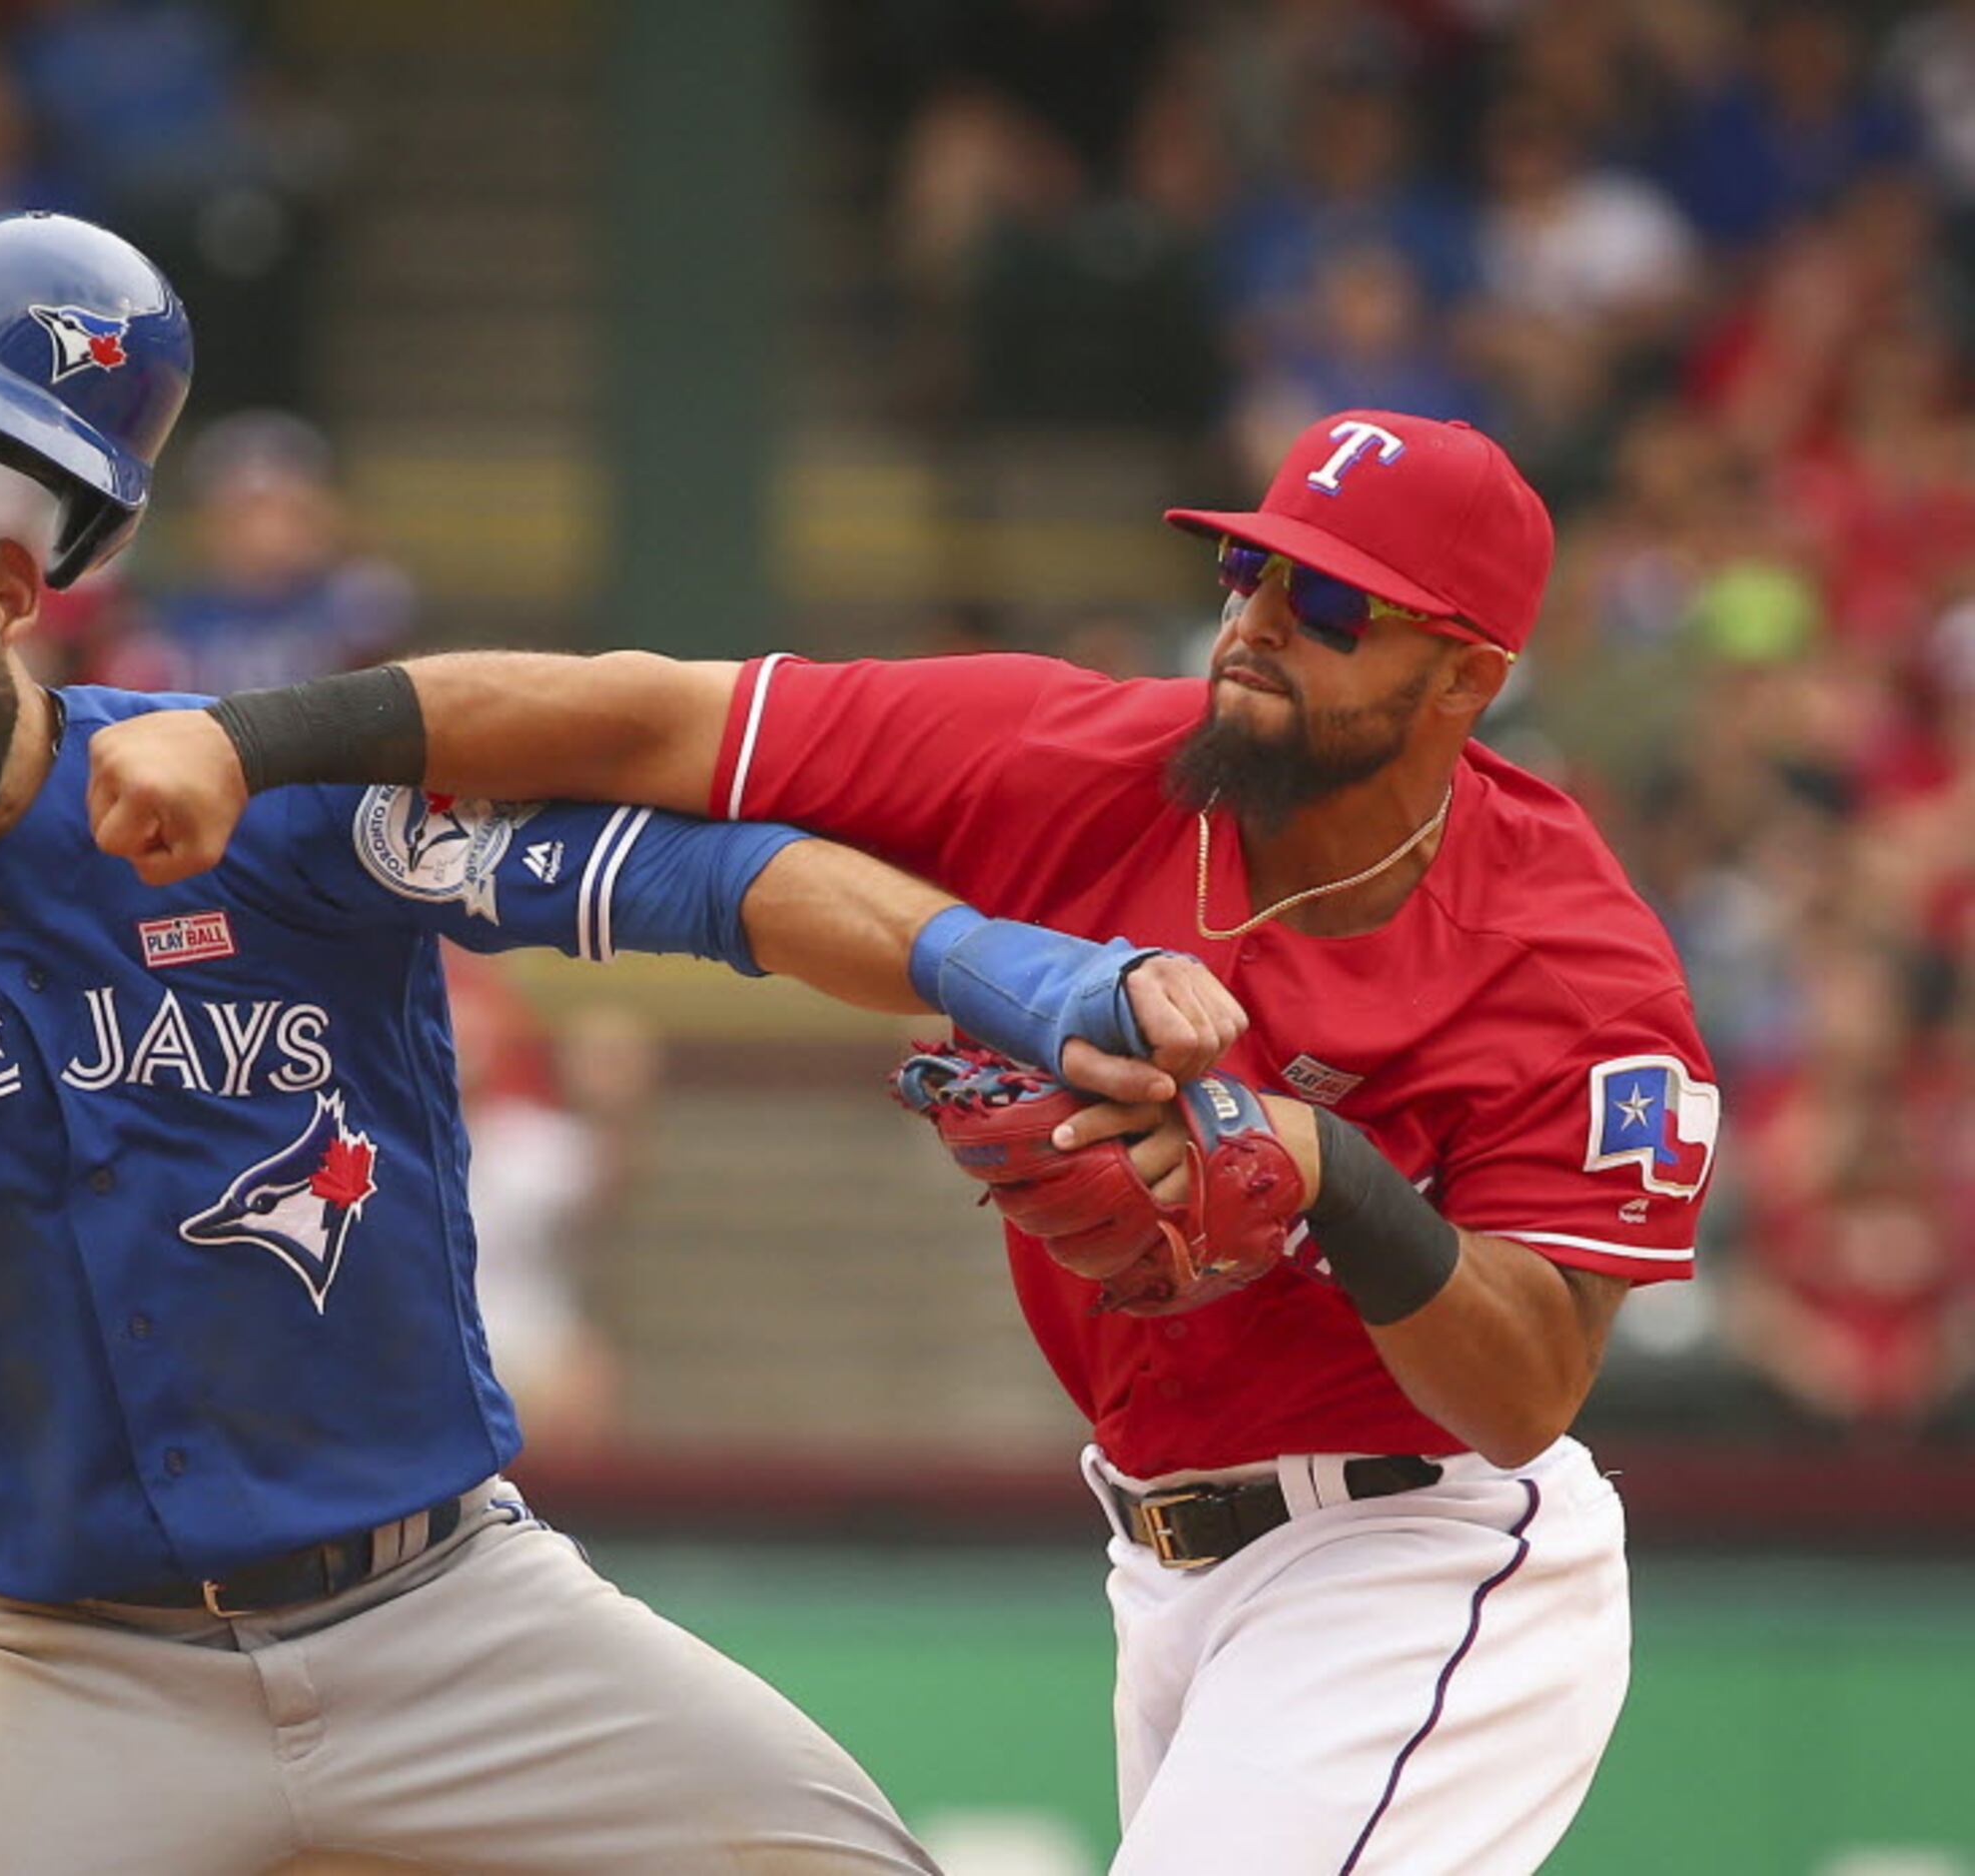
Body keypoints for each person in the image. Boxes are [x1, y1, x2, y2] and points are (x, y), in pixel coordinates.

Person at [0, 214, 1250, 1875]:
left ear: (10, 600)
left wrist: (1034, 981)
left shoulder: (237, 784)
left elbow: (712, 885)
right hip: (66, 1664)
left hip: (448, 1613)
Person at [91, 408, 1719, 1872]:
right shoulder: (1073, 759)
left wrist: (1328, 1170)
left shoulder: (1570, 961)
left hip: (1423, 1552)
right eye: (1250, 570)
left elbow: (1524, 1394)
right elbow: (646, 721)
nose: (1262, 624)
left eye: (1335, 605)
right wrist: (252, 739)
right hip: (1166, 1562)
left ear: (1468, 675)